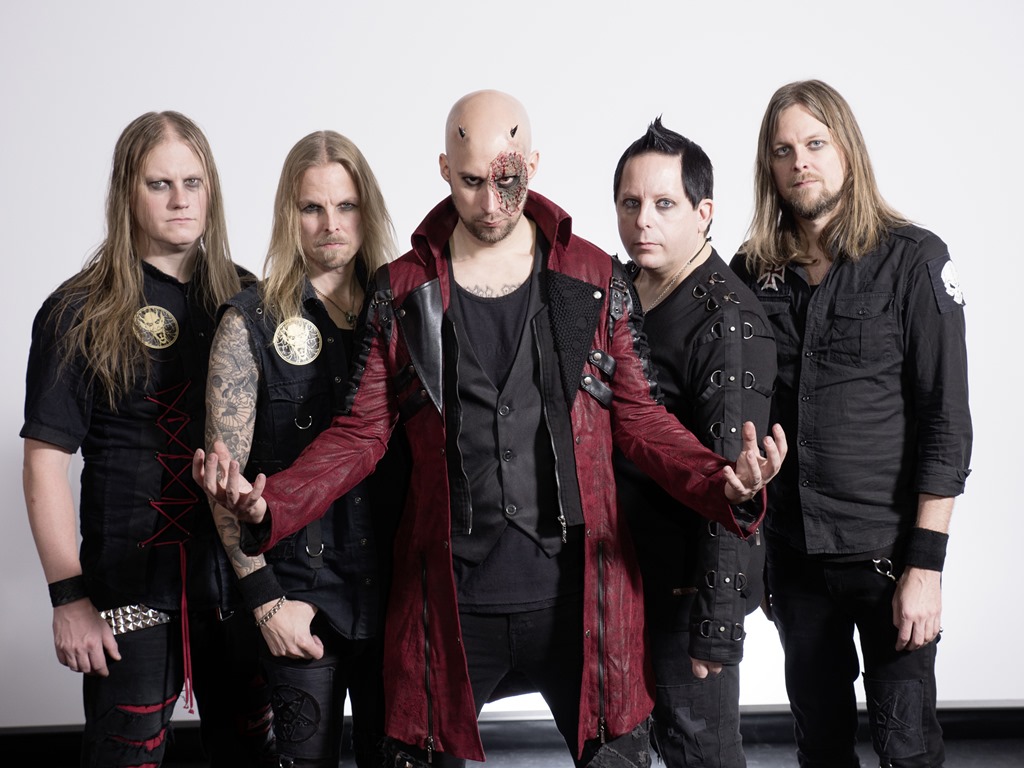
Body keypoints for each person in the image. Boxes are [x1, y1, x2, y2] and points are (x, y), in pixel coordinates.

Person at [196, 90, 787, 768]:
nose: (489, 202)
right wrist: (274, 503)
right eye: (472, 181)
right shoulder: (404, 289)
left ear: (531, 165)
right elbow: (361, 433)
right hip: (450, 604)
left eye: (506, 181)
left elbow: (641, 420)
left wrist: (722, 482)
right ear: (445, 170)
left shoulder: (592, 276)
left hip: (582, 605)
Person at [729, 80, 972, 767]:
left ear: (847, 150)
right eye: (783, 150)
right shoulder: (753, 270)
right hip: (795, 559)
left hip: (888, 558)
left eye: (814, 143)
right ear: (769, 165)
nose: (799, 162)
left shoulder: (914, 260)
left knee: (906, 746)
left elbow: (947, 423)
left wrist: (926, 569)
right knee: (821, 746)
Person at [21, 111, 275, 767]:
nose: (180, 198)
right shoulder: (78, 310)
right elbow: (45, 463)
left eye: (193, 182)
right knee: (125, 755)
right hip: (128, 589)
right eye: (160, 184)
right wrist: (68, 600)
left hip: (235, 584)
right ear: (126, 192)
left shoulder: (248, 299)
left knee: (252, 751)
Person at [206, 130, 407, 767]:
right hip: (298, 598)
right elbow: (225, 488)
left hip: (399, 599)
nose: (330, 225)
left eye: (346, 206)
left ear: (367, 210)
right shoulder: (249, 322)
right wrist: (266, 601)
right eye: (311, 208)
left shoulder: (406, 311)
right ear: (288, 216)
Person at [612, 119, 776, 767]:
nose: (643, 221)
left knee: (701, 756)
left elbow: (733, 487)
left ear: (703, 213)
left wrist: (717, 628)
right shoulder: (622, 290)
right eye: (630, 203)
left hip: (689, 595)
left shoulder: (727, 320)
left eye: (664, 204)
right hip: (625, 577)